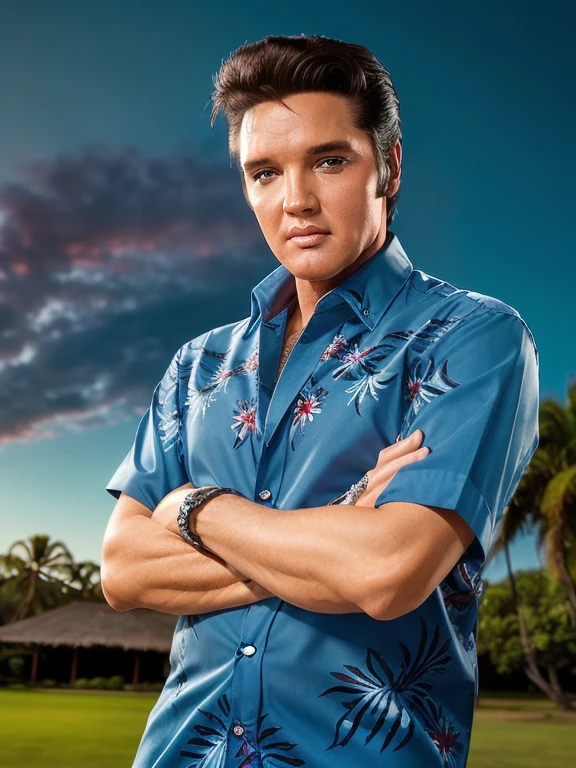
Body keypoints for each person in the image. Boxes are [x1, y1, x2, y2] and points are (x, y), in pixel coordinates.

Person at [101, 34, 539, 767]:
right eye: (265, 172)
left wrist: (189, 509)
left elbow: (384, 574)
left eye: (329, 160)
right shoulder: (197, 365)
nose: (295, 200)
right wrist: (332, 535)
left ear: (388, 168)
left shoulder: (473, 339)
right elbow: (124, 569)